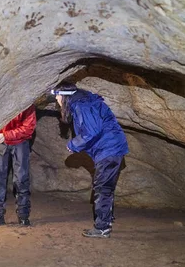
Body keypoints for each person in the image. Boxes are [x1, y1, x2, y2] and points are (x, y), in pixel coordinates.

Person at [52, 82, 128, 238]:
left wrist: (74, 144)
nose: (57, 99)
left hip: (109, 148)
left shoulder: (82, 105)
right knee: (105, 186)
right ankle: (106, 220)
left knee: (102, 187)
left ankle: (102, 227)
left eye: (57, 95)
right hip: (111, 147)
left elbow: (92, 131)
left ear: (65, 96)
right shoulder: (83, 102)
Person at [0, 105, 37, 227]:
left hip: (20, 143)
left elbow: (28, 128)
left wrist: (6, 135)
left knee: (21, 179)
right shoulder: (1, 100)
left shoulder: (27, 103)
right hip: (0, 142)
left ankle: (23, 216)